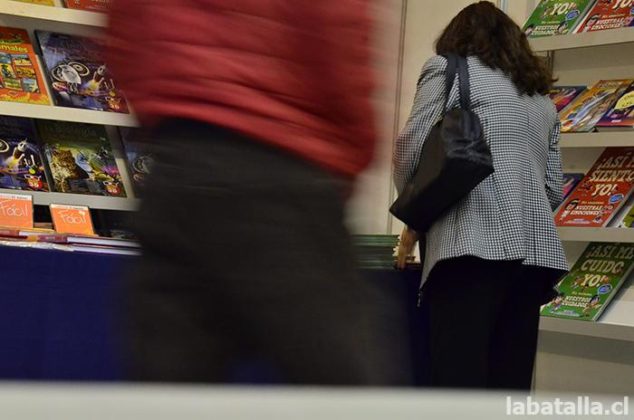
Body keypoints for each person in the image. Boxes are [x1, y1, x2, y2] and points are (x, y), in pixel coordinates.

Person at [106, 0, 402, 385]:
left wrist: (164, 115)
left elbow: (123, 30)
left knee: (170, 383)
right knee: (345, 384)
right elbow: (338, 32)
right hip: (284, 168)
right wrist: (352, 153)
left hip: (177, 166)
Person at [393, 2, 568, 390]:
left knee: (459, 387)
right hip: (533, 262)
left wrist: (414, 219)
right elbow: (553, 189)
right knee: (509, 388)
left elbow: (410, 153)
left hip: (467, 253)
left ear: (457, 36)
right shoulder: (542, 100)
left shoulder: (448, 70)